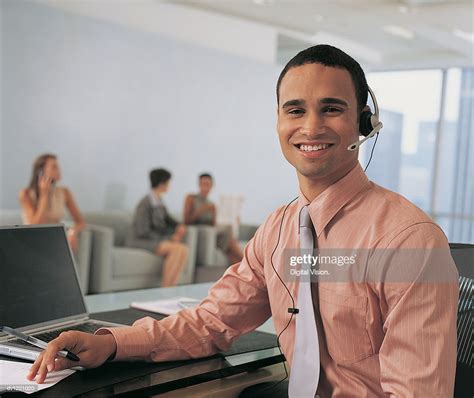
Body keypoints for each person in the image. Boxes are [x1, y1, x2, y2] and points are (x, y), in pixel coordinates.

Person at [28, 45, 458, 397]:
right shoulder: (278, 232)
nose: (310, 126)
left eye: (331, 109)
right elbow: (211, 323)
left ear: (362, 122)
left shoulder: (409, 241)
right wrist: (111, 343)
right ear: (277, 122)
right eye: (294, 110)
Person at [126, 168, 188, 287]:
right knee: (176, 249)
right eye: (168, 182)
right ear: (162, 184)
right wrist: (168, 238)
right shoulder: (145, 203)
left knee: (183, 249)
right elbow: (142, 231)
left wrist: (180, 226)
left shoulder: (159, 201)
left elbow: (168, 219)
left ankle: (171, 288)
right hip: (140, 240)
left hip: (152, 239)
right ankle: (166, 289)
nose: (170, 185)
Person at [19, 154, 85, 252]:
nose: (59, 170)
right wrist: (44, 196)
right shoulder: (26, 194)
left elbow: (80, 222)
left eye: (58, 166)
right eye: (54, 167)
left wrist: (72, 232)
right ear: (40, 172)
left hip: (54, 242)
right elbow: (33, 227)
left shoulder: (64, 192)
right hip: (33, 242)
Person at [183, 173, 243, 264]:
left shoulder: (212, 204)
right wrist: (200, 210)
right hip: (200, 235)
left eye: (208, 184)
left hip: (212, 236)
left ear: (212, 186)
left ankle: (244, 274)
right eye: (202, 184)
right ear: (199, 185)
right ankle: (251, 266)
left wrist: (233, 219)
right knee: (231, 244)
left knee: (232, 252)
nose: (205, 187)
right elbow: (186, 221)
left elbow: (214, 224)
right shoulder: (191, 198)